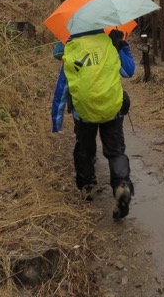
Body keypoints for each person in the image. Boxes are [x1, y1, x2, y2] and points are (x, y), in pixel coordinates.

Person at [51, 28, 135, 219]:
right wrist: (122, 45)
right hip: (112, 109)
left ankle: (87, 185)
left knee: (84, 148)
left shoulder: (71, 44)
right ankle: (122, 184)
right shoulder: (109, 42)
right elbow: (129, 71)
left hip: (83, 112)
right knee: (116, 151)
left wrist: (56, 122)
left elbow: (62, 86)